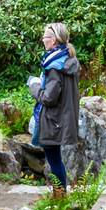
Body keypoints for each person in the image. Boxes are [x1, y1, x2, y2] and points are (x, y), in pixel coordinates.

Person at [28, 23, 80, 197]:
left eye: (46, 37)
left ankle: (59, 197)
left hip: (53, 120)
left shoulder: (54, 67)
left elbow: (48, 98)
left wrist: (34, 85)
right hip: (62, 119)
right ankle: (60, 196)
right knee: (56, 158)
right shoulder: (67, 61)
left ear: (55, 40)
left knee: (54, 160)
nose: (43, 40)